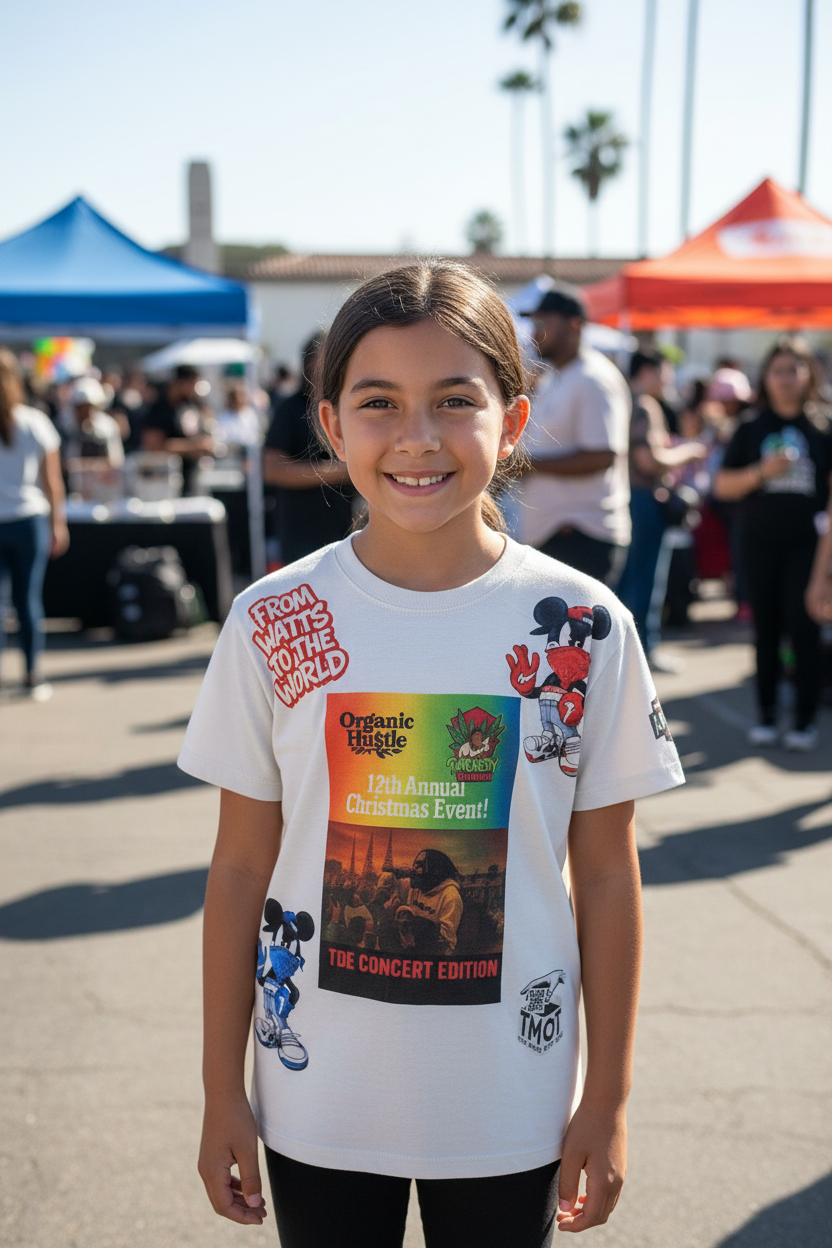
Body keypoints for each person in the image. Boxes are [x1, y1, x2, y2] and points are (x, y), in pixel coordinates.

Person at [178, 261, 683, 1247]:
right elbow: (239, 867)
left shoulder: (583, 626)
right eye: (379, 403)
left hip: (512, 1098)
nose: (417, 437)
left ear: (513, 421)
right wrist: (219, 1089)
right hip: (316, 1096)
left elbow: (605, 876)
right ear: (332, 426)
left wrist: (608, 1097)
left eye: (455, 400)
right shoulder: (273, 619)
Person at [714, 337, 832, 751]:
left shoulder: (823, 428)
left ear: (808, 375)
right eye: (778, 370)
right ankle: (766, 716)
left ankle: (804, 721)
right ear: (765, 377)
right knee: (765, 631)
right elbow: (722, 486)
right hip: (758, 543)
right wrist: (762, 472)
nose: (786, 379)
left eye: (794, 369)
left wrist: (825, 568)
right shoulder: (750, 427)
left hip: (807, 547)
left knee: (804, 630)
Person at [516, 285, 631, 586]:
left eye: (543, 323)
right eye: (534, 323)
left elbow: (602, 456)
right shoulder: (556, 376)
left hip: (579, 533)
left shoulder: (594, 378)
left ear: (574, 325)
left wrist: (527, 465)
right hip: (556, 532)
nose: (535, 332)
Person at [616, 349, 707, 666]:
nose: (669, 380)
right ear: (647, 372)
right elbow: (649, 460)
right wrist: (688, 452)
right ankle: (644, 650)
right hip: (643, 500)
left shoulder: (624, 400)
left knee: (629, 578)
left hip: (627, 498)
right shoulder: (643, 404)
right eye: (665, 372)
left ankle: (631, 651)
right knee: (644, 579)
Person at [0, 349, 69, 698]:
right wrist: (59, 523)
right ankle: (32, 673)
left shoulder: (33, 421)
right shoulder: (35, 421)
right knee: (27, 601)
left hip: (16, 519)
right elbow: (52, 481)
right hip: (28, 521)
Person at [263, 335, 353, 564]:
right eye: (319, 359)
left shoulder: (351, 404)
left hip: (347, 526)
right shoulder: (289, 409)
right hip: (302, 530)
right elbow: (272, 469)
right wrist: (339, 472)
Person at [141, 364, 215, 494]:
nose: (193, 389)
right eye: (191, 383)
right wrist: (191, 447)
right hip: (166, 480)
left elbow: (205, 427)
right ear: (179, 382)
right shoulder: (159, 408)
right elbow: (154, 445)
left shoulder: (192, 404)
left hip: (194, 476)